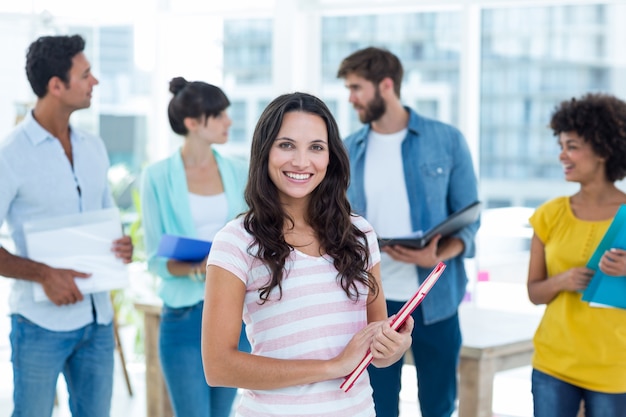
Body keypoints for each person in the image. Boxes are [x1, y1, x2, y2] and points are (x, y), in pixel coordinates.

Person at [200, 92, 413, 417]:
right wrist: (332, 366)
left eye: (316, 147)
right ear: (265, 151)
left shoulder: (360, 234)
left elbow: (377, 347)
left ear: (331, 157)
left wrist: (394, 347)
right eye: (286, 145)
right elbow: (218, 367)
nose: (301, 161)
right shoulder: (236, 241)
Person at [337, 46, 479, 417]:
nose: (350, 98)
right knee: (378, 406)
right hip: (371, 303)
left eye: (357, 88)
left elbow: (470, 216)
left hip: (434, 299)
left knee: (438, 405)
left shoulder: (447, 140)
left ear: (386, 85)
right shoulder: (347, 150)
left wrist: (437, 255)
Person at [0, 34, 133, 417]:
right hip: (39, 324)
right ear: (56, 86)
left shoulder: (94, 147)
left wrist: (122, 245)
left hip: (98, 321)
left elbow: (107, 219)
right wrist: (43, 274)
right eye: (85, 74)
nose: (95, 82)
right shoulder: (10, 155)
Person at [140, 77, 251, 417]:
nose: (228, 121)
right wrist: (197, 267)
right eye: (218, 115)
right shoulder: (157, 177)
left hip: (237, 317)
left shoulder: (239, 170)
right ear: (192, 123)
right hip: (185, 318)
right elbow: (155, 260)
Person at [527, 93, 626, 417]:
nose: (562, 156)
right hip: (553, 363)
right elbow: (534, 293)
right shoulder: (550, 214)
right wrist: (563, 280)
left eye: (572, 146)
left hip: (615, 367)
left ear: (603, 149)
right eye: (561, 145)